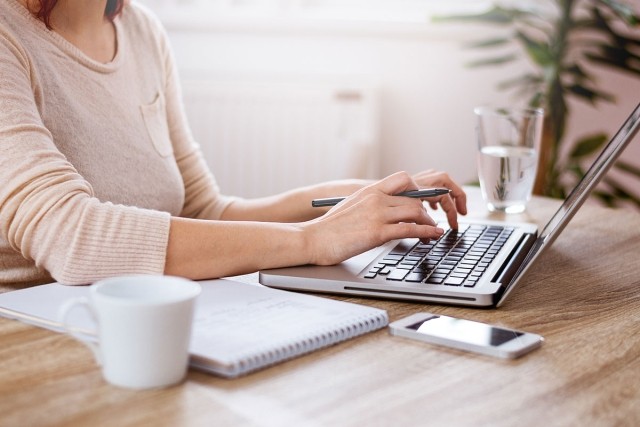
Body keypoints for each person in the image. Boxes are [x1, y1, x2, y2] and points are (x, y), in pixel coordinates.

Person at [0, 0, 467, 291]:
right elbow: (71, 236)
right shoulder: (9, 37)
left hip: (141, 321)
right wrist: (314, 239)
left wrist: (368, 197)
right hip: (38, 344)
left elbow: (204, 210)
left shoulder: (141, 32)